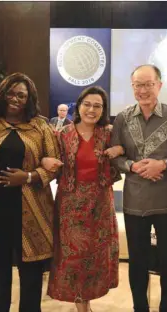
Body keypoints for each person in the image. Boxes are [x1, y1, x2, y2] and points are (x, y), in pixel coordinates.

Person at [0, 73, 61, 312]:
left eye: (22, 95)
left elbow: (55, 166)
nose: (15, 99)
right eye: (11, 93)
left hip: (33, 210)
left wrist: (28, 177)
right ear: (2, 94)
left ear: (29, 99)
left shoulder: (40, 126)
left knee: (31, 275)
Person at [110, 64, 167, 312]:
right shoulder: (123, 118)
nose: (143, 90)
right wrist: (132, 166)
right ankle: (140, 307)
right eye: (138, 85)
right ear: (132, 87)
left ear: (160, 85)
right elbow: (115, 155)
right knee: (137, 262)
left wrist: (164, 164)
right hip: (135, 202)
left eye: (148, 84)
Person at [42, 86, 123, 312]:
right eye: (87, 104)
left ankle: (87, 301)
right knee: (74, 256)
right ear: (78, 106)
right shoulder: (62, 135)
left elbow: (125, 154)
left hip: (100, 203)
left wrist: (120, 148)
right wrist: (44, 162)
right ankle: (82, 307)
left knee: (95, 256)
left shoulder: (109, 133)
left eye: (98, 106)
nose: (91, 109)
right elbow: (50, 162)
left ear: (103, 110)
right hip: (70, 204)